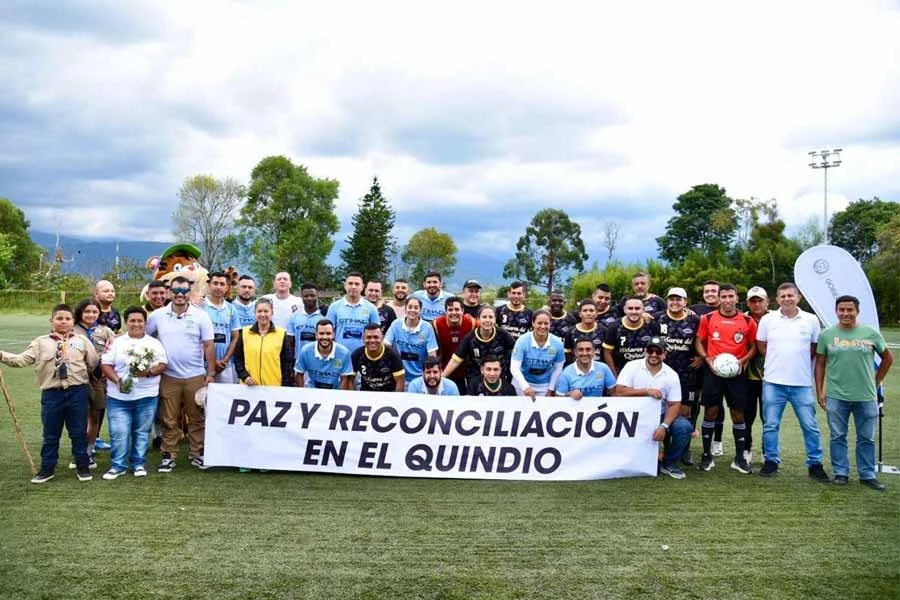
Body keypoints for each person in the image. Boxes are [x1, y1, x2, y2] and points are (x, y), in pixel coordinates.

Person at [0, 304, 99, 483]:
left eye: (67, 318)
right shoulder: (41, 342)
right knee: (51, 433)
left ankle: (82, 467)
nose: (63, 322)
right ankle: (47, 469)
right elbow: (22, 360)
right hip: (52, 394)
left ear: (73, 321)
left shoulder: (82, 341)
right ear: (52, 321)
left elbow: (93, 363)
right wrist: (2, 356)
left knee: (78, 432)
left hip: (77, 392)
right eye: (59, 318)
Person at [815, 295, 894, 491]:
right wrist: (820, 390)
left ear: (857, 311)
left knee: (866, 437)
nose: (845, 314)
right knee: (837, 436)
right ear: (836, 311)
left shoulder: (870, 333)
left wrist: (875, 382)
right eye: (841, 310)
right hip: (836, 395)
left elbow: (887, 359)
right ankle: (841, 473)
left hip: (866, 396)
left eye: (849, 310)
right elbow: (820, 364)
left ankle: (867, 475)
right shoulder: (827, 335)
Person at [756, 283, 828, 480]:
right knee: (771, 425)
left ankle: (815, 464)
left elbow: (814, 348)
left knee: (809, 426)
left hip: (801, 384)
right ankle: (771, 461)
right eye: (782, 296)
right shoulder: (768, 320)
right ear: (777, 300)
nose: (787, 299)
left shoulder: (811, 320)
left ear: (798, 297)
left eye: (790, 295)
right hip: (773, 382)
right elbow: (762, 345)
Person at [145, 275, 216, 472]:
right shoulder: (157, 316)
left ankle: (198, 453)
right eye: (176, 291)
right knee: (169, 418)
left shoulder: (201, 316)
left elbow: (209, 345)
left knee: (196, 417)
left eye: (184, 291)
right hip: (169, 375)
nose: (180, 295)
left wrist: (210, 373)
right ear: (169, 292)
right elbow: (144, 337)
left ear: (189, 293)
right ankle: (169, 454)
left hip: (195, 375)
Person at [99, 307, 168, 479]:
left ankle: (138, 463)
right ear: (126, 322)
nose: (136, 324)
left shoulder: (154, 343)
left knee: (142, 431)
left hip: (146, 395)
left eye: (140, 321)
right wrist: (117, 380)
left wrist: (149, 372)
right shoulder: (116, 342)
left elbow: (163, 364)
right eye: (132, 321)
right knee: (119, 431)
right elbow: (105, 364)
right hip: (118, 396)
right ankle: (118, 465)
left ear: (145, 323)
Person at [695, 283, 757, 474]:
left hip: (736, 375)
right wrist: (707, 358)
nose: (728, 300)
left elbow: (754, 346)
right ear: (719, 298)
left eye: (731, 296)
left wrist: (743, 360)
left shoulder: (747, 321)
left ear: (737, 298)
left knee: (738, 414)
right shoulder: (708, 318)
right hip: (713, 373)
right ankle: (706, 456)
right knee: (711, 412)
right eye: (724, 297)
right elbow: (699, 341)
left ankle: (739, 458)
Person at [614, 337, 693, 479]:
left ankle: (669, 463)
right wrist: (647, 391)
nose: (654, 355)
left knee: (684, 427)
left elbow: (674, 404)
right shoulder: (632, 366)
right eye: (650, 351)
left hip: (659, 415)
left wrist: (664, 426)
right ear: (645, 352)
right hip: (632, 414)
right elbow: (619, 391)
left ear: (665, 354)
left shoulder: (671, 375)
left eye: (658, 351)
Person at [657, 287, 702, 465]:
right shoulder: (658, 319)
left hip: (687, 374)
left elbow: (703, 340)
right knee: (667, 411)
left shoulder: (695, 320)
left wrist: (701, 357)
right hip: (662, 375)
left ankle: (685, 449)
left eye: (679, 299)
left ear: (685, 301)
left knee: (684, 413)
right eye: (671, 299)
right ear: (667, 301)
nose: (675, 302)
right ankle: (668, 449)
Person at [72, 298, 115, 469]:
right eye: (87, 311)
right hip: (78, 379)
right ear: (80, 313)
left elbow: (115, 350)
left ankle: (89, 451)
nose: (91, 315)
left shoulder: (105, 331)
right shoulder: (72, 330)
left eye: (94, 312)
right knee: (78, 417)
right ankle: (79, 453)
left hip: (98, 380)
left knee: (95, 415)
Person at [444, 304, 516, 392]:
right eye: (484, 317)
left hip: (498, 378)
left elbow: (517, 354)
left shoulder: (503, 335)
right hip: (475, 380)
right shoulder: (470, 338)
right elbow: (455, 360)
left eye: (490, 317)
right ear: (478, 319)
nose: (487, 320)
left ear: (495, 319)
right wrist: (441, 378)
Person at [233, 298, 295, 387]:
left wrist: (284, 384)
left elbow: (287, 362)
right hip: (249, 387)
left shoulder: (281, 334)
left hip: (273, 387)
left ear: (272, 313)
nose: (262, 314)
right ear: (254, 313)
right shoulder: (245, 332)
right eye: (259, 311)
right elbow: (238, 358)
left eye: (266, 311)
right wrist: (244, 376)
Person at [510, 310, 565, 399]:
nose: (543, 326)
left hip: (544, 385)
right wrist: (525, 387)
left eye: (546, 323)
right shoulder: (522, 341)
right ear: (533, 323)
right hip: (522, 383)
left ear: (550, 324)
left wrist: (551, 389)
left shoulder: (557, 343)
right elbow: (514, 368)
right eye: (539, 323)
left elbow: (558, 368)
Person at [743, 286, 770, 462]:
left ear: (767, 301)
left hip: (771, 376)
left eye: (760, 300)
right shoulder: (742, 319)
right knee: (747, 415)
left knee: (768, 416)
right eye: (753, 301)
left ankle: (768, 451)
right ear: (747, 303)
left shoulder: (776, 318)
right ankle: (746, 450)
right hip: (746, 376)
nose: (757, 304)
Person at [385, 296, 439, 384]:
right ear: (405, 309)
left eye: (416, 308)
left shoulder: (427, 327)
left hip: (420, 377)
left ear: (420, 310)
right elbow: (386, 346)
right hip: (398, 376)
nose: (412, 310)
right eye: (410, 307)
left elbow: (432, 356)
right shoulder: (396, 324)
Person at [603, 296, 661, 376]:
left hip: (647, 374)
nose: (634, 312)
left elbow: (659, 350)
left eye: (637, 308)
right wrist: (614, 376)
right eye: (630, 308)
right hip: (622, 374)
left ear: (643, 310)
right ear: (624, 309)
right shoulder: (614, 327)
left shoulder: (651, 325)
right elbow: (607, 352)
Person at [326, 272, 380, 354]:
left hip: (363, 355)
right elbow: (328, 334)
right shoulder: (334, 307)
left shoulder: (371, 308)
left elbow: (376, 335)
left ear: (362, 287)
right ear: (345, 285)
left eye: (357, 284)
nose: (353, 287)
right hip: (340, 355)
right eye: (350, 283)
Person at [203, 271, 242, 384]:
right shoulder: (200, 307)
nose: (218, 287)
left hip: (226, 366)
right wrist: (212, 361)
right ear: (209, 285)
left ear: (227, 287)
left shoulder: (231, 309)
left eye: (222, 284)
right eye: (215, 283)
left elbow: (235, 337)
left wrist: (225, 360)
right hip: (203, 366)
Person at [432, 296, 476, 393]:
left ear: (463, 310)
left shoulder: (472, 323)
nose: (454, 313)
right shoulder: (436, 324)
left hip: (465, 374)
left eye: (457, 309)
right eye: (450, 310)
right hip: (444, 371)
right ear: (445, 311)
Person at [294, 320, 354, 390]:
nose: (325, 337)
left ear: (333, 334)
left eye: (328, 333)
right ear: (316, 335)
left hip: (334, 392)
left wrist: (338, 398)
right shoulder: (305, 351)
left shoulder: (344, 353)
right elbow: (299, 374)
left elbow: (345, 379)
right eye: (321, 333)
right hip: (312, 391)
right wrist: (302, 394)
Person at [351, 324, 405, 392]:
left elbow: (400, 382)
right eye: (368, 337)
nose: (372, 340)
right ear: (363, 339)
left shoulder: (393, 355)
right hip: (366, 394)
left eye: (376, 337)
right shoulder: (357, 355)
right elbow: (349, 380)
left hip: (389, 395)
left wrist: (396, 401)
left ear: (382, 338)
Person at [288, 282, 325, 358]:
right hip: (299, 362)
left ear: (317, 296)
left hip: (319, 360)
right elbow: (290, 342)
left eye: (312, 295)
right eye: (306, 296)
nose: (309, 298)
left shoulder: (324, 317)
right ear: (301, 297)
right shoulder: (294, 317)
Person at [564, 299, 606, 364]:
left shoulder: (604, 331)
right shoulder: (570, 332)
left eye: (591, 310)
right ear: (580, 314)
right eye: (585, 311)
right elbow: (568, 355)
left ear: (596, 313)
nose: (588, 313)